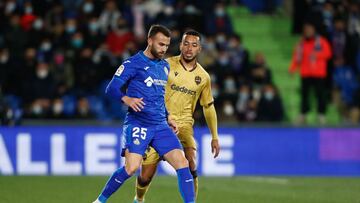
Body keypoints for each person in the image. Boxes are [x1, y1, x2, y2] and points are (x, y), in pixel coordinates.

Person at [92, 25, 195, 203]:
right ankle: (100, 201)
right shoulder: (133, 63)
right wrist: (126, 99)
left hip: (160, 125)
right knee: (131, 169)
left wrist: (168, 116)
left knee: (183, 163)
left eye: (166, 45)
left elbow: (159, 96)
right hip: (138, 123)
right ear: (149, 41)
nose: (163, 49)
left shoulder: (164, 66)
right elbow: (111, 89)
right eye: (160, 44)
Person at [133, 30, 220, 203]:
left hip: (184, 125)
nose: (189, 48)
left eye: (194, 45)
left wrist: (215, 137)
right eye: (186, 44)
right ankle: (139, 199)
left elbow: (208, 107)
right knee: (145, 176)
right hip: (159, 122)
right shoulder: (165, 65)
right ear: (180, 45)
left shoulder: (203, 77)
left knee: (190, 163)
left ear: (199, 49)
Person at [289, 22, 332, 124]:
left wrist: (317, 55)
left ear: (314, 30)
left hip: (319, 74)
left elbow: (328, 54)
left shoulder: (321, 41)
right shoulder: (301, 44)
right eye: (306, 29)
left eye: (310, 29)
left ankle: (321, 115)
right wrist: (292, 69)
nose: (308, 31)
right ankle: (303, 114)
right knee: (304, 95)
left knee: (320, 95)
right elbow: (297, 58)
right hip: (305, 73)